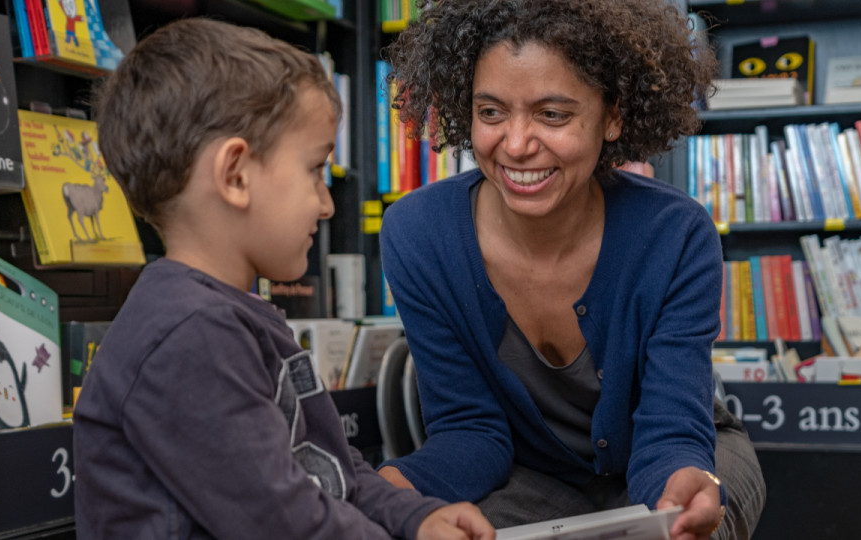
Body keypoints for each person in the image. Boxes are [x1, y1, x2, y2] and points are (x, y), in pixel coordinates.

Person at [72, 17, 495, 540]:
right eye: (316, 170)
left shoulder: (227, 317)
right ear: (235, 175)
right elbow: (286, 522)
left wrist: (416, 517)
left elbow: (332, 474)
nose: (325, 203)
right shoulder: (188, 336)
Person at [376, 1, 766, 539]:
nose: (515, 144)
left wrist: (683, 485)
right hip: (527, 476)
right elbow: (470, 431)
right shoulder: (417, 235)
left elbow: (669, 428)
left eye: (552, 114)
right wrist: (392, 488)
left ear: (612, 116)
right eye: (491, 112)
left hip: (678, 457)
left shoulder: (675, 235)